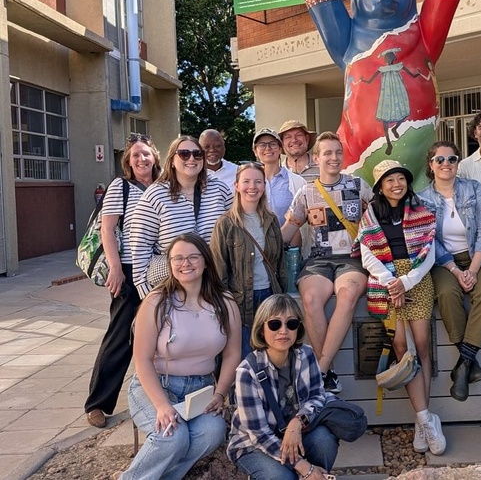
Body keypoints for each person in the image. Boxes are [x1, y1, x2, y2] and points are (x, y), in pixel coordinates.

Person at [121, 233, 241, 480]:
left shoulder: (225, 302)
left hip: (201, 391)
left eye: (193, 257)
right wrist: (162, 405)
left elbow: (232, 354)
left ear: (206, 261)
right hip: (157, 386)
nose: (185, 263)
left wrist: (220, 393)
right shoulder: (156, 302)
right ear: (170, 264)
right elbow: (142, 359)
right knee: (173, 436)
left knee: (212, 433)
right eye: (178, 258)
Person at [359, 160, 445, 454]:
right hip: (385, 281)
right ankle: (425, 418)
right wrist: (390, 282)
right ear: (380, 187)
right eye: (389, 180)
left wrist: (405, 282)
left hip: (417, 278)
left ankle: (424, 424)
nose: (396, 184)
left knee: (421, 346)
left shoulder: (421, 212)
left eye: (400, 179)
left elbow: (429, 253)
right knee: (403, 350)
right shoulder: (370, 215)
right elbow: (367, 253)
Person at [281, 131, 373, 393]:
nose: (334, 158)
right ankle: (329, 372)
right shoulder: (306, 192)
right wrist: (262, 245)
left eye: (338, 152)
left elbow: (380, 217)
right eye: (328, 153)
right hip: (319, 260)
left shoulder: (358, 185)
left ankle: (319, 371)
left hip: (352, 259)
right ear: (316, 158)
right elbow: (288, 230)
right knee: (310, 300)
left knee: (346, 295)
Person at [417, 141, 481, 403]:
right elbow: (430, 239)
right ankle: (469, 363)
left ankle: (464, 364)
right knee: (445, 294)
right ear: (431, 165)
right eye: (439, 160)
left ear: (458, 163)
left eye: (452, 159)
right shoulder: (421, 199)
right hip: (445, 262)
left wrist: (474, 270)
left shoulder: (473, 189)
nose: (446, 164)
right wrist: (456, 271)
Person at [85, 135, 161, 428]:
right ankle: (97, 404)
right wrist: (115, 269)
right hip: (128, 271)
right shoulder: (121, 187)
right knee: (120, 337)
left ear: (155, 157)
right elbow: (107, 229)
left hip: (158, 270)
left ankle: (156, 398)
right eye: (136, 156)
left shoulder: (163, 187)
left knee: (159, 336)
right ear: (128, 162)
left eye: (146, 154)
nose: (142, 159)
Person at [227, 294, 339, 480]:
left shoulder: (306, 355)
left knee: (324, 441)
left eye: (291, 324)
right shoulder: (247, 372)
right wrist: (304, 467)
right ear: (262, 329)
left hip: (296, 433)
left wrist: (297, 422)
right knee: (283, 477)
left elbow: (318, 396)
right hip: (253, 444)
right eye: (274, 324)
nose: (283, 331)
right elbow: (259, 435)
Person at [130, 136, 233, 298]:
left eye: (197, 154)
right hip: (172, 289)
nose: (191, 158)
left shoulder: (219, 189)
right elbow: (140, 248)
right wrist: (148, 297)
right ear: (171, 160)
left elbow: (235, 228)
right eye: (184, 154)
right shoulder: (155, 195)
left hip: (214, 285)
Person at [211, 162, 287, 359]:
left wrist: (282, 296)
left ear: (264, 186)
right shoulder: (226, 223)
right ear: (236, 186)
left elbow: (279, 264)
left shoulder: (271, 220)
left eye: (258, 182)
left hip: (270, 297)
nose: (252, 187)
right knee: (244, 359)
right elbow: (219, 271)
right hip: (240, 300)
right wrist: (226, 305)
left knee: (271, 357)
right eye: (246, 181)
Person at [252, 127, 307, 252]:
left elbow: (303, 222)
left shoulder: (298, 182)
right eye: (262, 145)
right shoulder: (250, 183)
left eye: (273, 144)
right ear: (255, 151)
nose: (268, 148)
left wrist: (293, 251)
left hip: (290, 249)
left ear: (280, 148)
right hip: (258, 249)